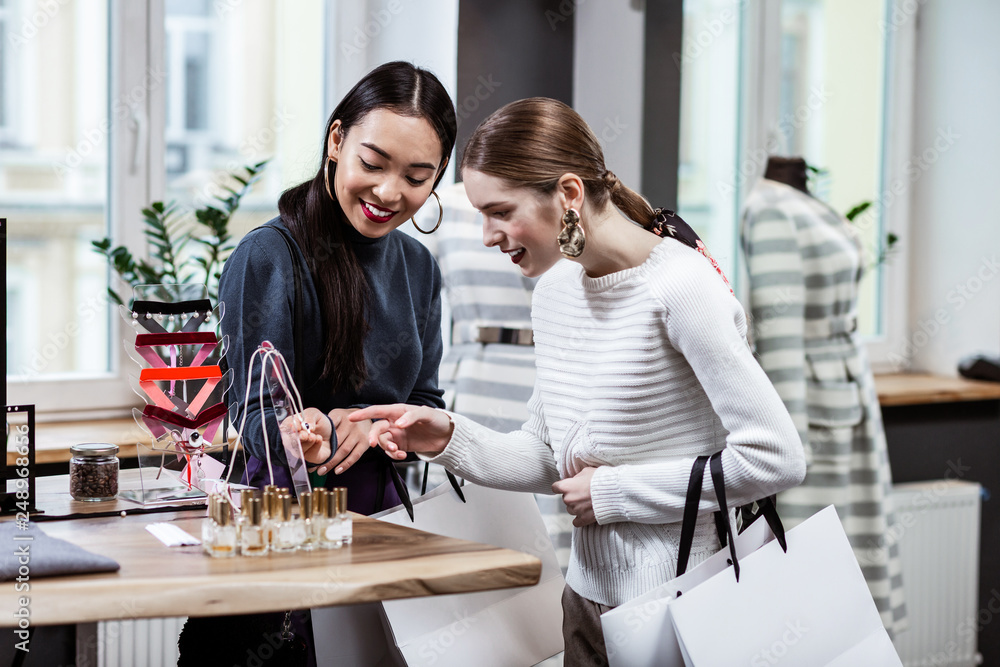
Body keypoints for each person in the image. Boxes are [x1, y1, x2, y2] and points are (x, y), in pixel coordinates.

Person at [335, 97, 806, 664]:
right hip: (584, 599)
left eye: (501, 211)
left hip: (683, 597)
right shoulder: (556, 292)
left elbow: (776, 458)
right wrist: (442, 437)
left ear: (569, 195)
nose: (487, 235)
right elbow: (546, 454)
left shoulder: (682, 289)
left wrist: (612, 494)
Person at [177, 61, 456, 666]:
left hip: (382, 529)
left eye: (416, 176)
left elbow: (427, 404)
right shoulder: (268, 256)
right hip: (278, 532)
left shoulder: (419, 268)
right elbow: (253, 416)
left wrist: (377, 425)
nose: (388, 193)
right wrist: (311, 432)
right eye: (373, 163)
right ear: (336, 142)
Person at [742, 156, 907, 635]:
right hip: (815, 413)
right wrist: (790, 447)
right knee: (820, 558)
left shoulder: (796, 201)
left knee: (854, 553)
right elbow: (779, 332)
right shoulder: (770, 209)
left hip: (843, 395)